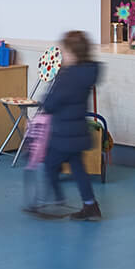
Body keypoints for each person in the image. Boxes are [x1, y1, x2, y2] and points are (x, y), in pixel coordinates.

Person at [28, 30, 101, 221]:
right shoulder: (85, 73)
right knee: (79, 169)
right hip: (77, 132)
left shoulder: (68, 77)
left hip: (63, 135)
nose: (62, 56)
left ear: (73, 53)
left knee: (49, 165)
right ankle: (90, 205)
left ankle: (52, 202)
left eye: (64, 52)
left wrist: (44, 103)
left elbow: (52, 102)